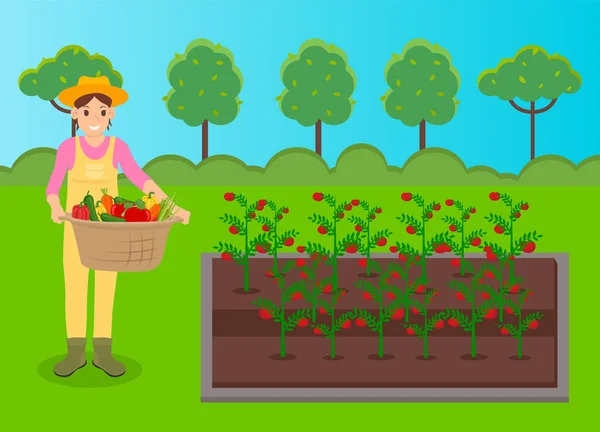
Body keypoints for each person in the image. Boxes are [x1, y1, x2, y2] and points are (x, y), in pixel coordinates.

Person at [46, 76, 190, 378]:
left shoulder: (118, 148)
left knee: (106, 286)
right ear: (75, 114)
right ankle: (74, 353)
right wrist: (56, 208)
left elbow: (141, 179)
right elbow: (53, 185)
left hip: (109, 230)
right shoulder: (68, 149)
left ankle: (102, 352)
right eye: (86, 112)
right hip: (75, 228)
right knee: (74, 285)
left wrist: (173, 206)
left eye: (101, 111)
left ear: (110, 114)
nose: (94, 118)